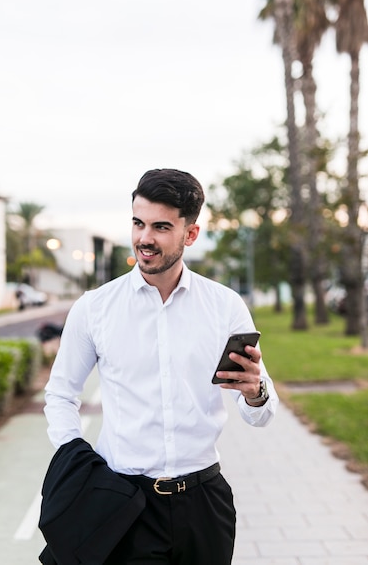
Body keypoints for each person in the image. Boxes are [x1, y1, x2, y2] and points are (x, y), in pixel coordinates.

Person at [43, 168, 279, 564]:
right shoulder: (95, 308)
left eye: (161, 227)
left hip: (205, 502)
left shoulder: (225, 307)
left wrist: (255, 392)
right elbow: (61, 393)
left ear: (190, 234)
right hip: (123, 502)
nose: (144, 238)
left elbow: (261, 416)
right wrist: (76, 461)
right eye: (138, 223)